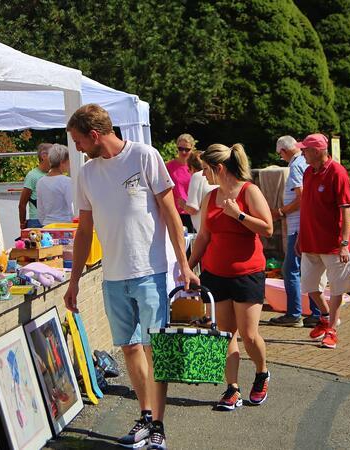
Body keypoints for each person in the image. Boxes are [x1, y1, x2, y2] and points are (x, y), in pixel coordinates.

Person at [63, 104, 197, 450]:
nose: (76, 148)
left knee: (156, 350)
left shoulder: (144, 156)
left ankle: (159, 427)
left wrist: (184, 265)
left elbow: (172, 215)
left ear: (94, 136)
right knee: (130, 347)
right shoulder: (87, 174)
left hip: (150, 271)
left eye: (78, 140)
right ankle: (146, 414)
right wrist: (74, 279)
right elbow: (84, 231)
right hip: (113, 277)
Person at [188, 143, 273, 412]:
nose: (202, 176)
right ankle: (232, 388)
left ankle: (261, 373)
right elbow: (203, 236)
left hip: (247, 274)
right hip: (215, 274)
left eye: (205, 170)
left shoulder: (250, 191)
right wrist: (189, 267)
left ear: (219, 168)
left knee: (249, 335)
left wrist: (239, 215)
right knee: (225, 335)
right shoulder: (210, 197)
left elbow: (268, 228)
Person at [296, 133, 350, 349]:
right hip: (311, 241)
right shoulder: (308, 173)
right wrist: (300, 236)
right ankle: (326, 316)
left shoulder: (337, 172)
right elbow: (306, 207)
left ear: (317, 151)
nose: (302, 153)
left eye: (305, 149)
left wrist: (343, 243)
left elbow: (346, 210)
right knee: (310, 286)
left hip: (333, 243)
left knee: (338, 287)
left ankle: (332, 329)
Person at [268, 136, 321, 328]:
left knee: (290, 270)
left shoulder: (297, 166)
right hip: (302, 225)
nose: (280, 158)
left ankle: (294, 313)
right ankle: (315, 313)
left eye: (280, 154)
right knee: (308, 269)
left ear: (284, 150)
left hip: (297, 227)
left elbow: (302, 198)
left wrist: (281, 212)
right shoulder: (301, 164)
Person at [36, 144, 74, 226]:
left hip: (47, 225)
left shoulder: (40, 182)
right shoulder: (67, 181)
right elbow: (72, 208)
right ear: (62, 162)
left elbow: (40, 210)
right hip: (65, 225)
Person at [166, 134, 196, 232]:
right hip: (174, 213)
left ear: (192, 149)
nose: (183, 152)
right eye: (180, 148)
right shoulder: (168, 166)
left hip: (193, 213)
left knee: (191, 245)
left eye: (187, 149)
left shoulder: (197, 167)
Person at [19, 143, 52, 229]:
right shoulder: (32, 175)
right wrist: (22, 223)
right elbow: (22, 203)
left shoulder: (52, 174)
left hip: (51, 219)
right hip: (36, 221)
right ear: (44, 156)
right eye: (54, 154)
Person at [184, 150, 217, 234]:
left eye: (189, 170)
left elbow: (192, 209)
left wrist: (182, 204)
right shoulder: (217, 175)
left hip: (205, 232)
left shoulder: (197, 176)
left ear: (192, 167)